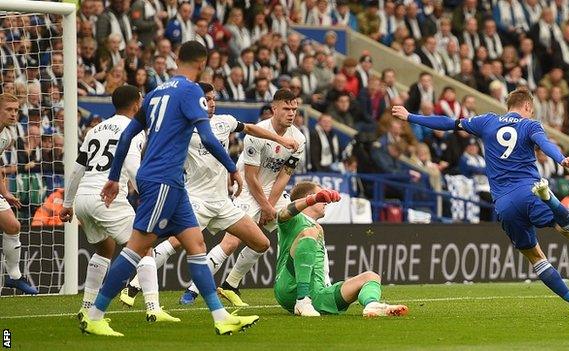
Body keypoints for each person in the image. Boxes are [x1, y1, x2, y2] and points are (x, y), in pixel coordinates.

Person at [83, 41, 259, 336]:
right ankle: (95, 314)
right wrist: (231, 167)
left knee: (196, 245)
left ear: (178, 59)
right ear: (202, 64)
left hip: (172, 183)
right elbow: (207, 137)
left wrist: (114, 178)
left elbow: (127, 136)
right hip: (163, 179)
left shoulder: (153, 94)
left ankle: (220, 316)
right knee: (137, 248)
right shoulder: (192, 91)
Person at [392, 88, 569, 313]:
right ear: (527, 107)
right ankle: (551, 200)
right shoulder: (530, 125)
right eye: (532, 111)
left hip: (504, 204)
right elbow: (544, 144)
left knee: (535, 257)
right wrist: (562, 159)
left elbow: (448, 123)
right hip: (529, 191)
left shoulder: (486, 121)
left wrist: (410, 117)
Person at [118, 82, 299, 306]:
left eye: (213, 99)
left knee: (261, 243)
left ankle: (230, 284)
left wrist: (281, 140)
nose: (211, 103)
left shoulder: (225, 122)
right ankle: (134, 286)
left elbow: (251, 128)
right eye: (207, 99)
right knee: (176, 243)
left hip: (222, 202)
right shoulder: (181, 128)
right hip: (195, 200)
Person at [60, 85, 178, 322]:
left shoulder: (95, 129)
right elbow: (133, 165)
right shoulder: (133, 129)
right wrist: (148, 193)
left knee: (105, 248)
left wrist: (68, 203)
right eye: (142, 100)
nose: (144, 103)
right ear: (136, 104)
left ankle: (86, 306)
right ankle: (153, 308)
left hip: (84, 198)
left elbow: (76, 170)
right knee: (145, 246)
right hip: (106, 197)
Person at [209, 88, 306, 307]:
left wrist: (270, 207)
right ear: (274, 109)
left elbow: (284, 176)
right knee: (232, 242)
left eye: (295, 109)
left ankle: (230, 285)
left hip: (272, 195)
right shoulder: (258, 132)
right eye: (286, 109)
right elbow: (251, 177)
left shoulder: (299, 139)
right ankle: (196, 288)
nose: (291, 113)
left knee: (298, 230)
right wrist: (264, 206)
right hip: (247, 190)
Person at [274, 181, 409, 317]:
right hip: (290, 287)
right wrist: (313, 199)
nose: (325, 201)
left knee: (371, 276)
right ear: (309, 196)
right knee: (310, 232)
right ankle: (302, 300)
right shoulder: (295, 219)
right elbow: (282, 214)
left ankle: (372, 305)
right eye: (321, 196)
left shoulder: (318, 227)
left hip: (318, 294)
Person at [0, 94, 37, 295]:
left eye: (16, 110)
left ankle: (14, 277)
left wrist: (5, 192)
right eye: (9, 109)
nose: (14, 114)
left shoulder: (6, 136)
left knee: (13, 226)